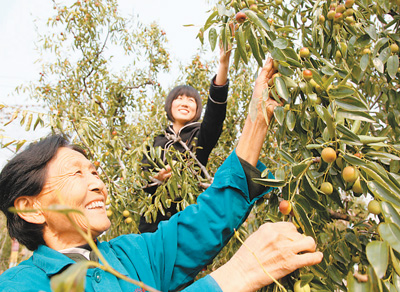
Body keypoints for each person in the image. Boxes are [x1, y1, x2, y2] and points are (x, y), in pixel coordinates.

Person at [0, 59, 323, 292]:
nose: (98, 184)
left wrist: (258, 117)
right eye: (77, 173)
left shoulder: (131, 255)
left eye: (95, 172)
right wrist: (236, 275)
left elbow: (205, 220)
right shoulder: (19, 285)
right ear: (30, 207)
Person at [139, 46, 231, 233]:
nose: (184, 103)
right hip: (152, 228)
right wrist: (156, 179)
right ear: (170, 105)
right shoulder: (155, 140)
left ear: (197, 109)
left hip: (188, 224)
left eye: (191, 100)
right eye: (179, 98)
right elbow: (142, 179)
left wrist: (223, 64)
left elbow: (215, 114)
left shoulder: (200, 136)